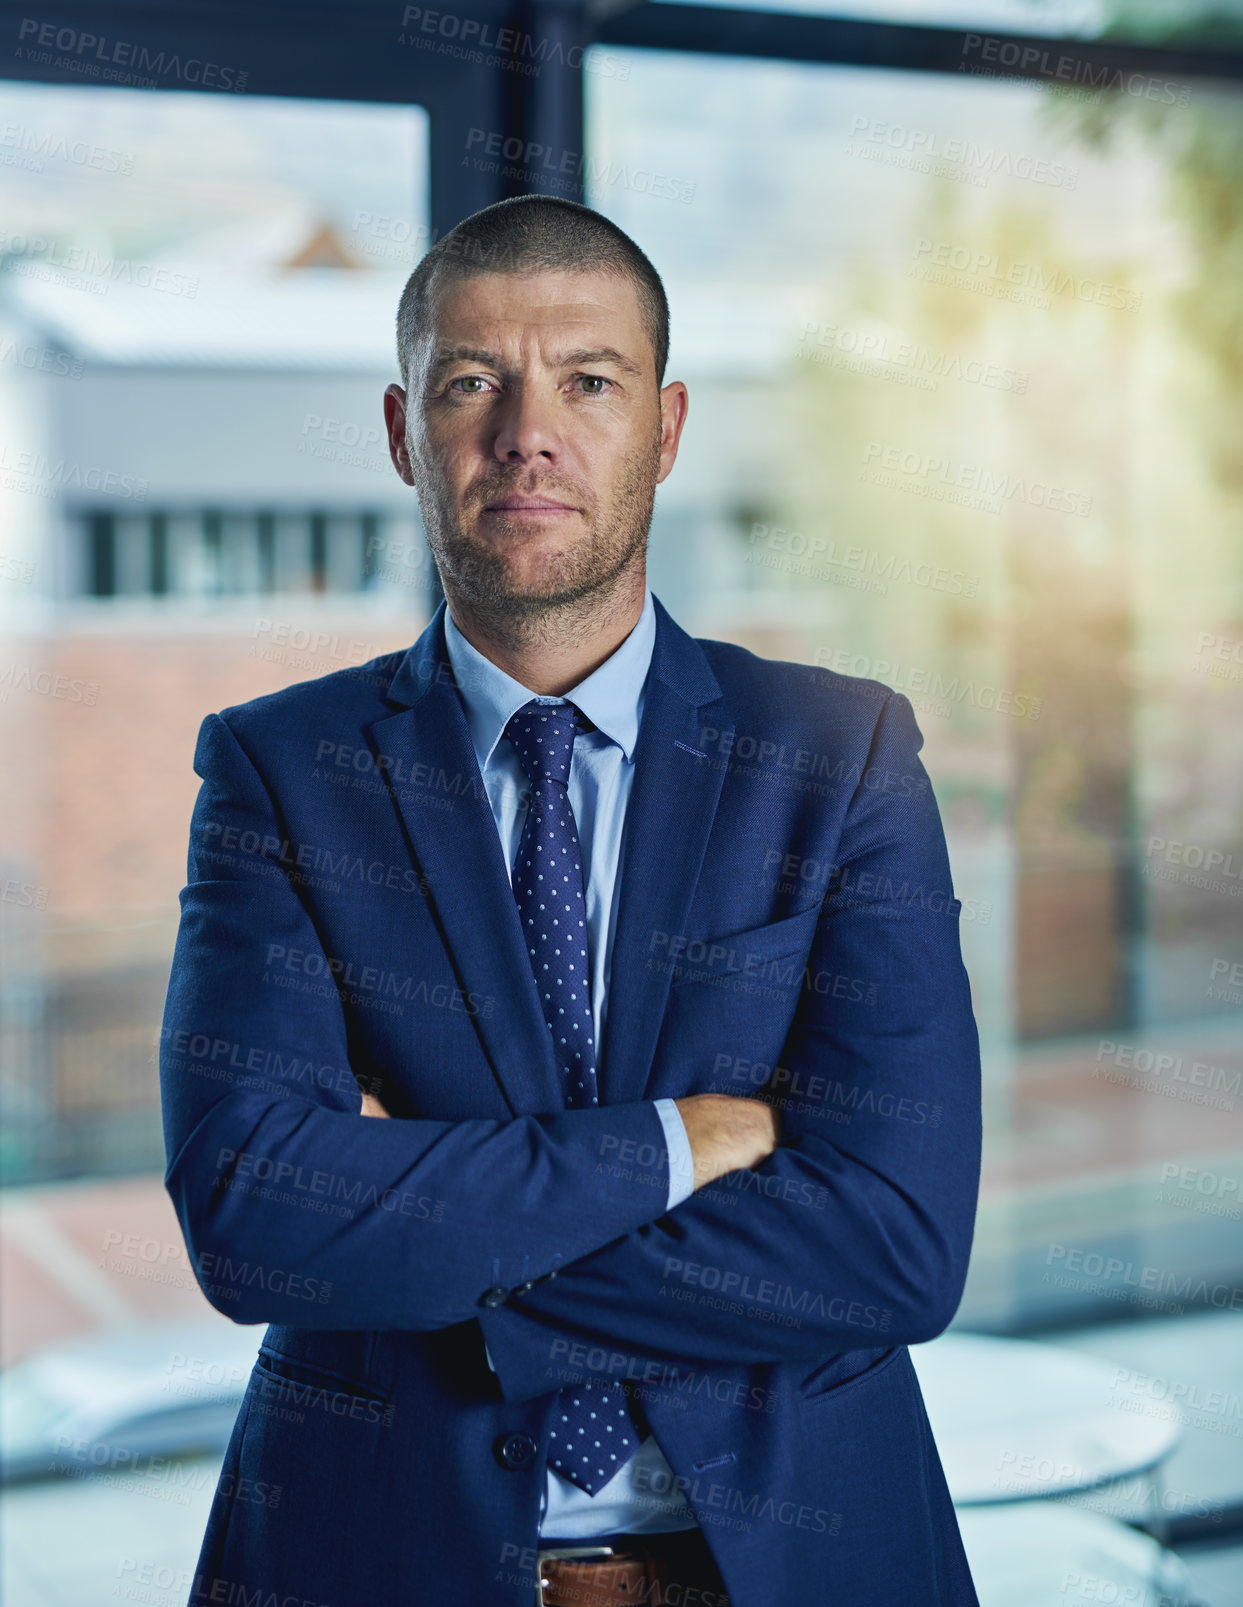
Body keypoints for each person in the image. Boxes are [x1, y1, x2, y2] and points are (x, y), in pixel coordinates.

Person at [160, 194, 982, 1606]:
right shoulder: (280, 771)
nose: (525, 432)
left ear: (661, 433)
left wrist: (423, 1222)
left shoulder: (836, 757)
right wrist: (683, 1142)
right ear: (404, 434)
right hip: (382, 1556)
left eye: (586, 382)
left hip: (796, 1558)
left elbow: (897, 1242)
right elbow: (254, 1215)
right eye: (472, 382)